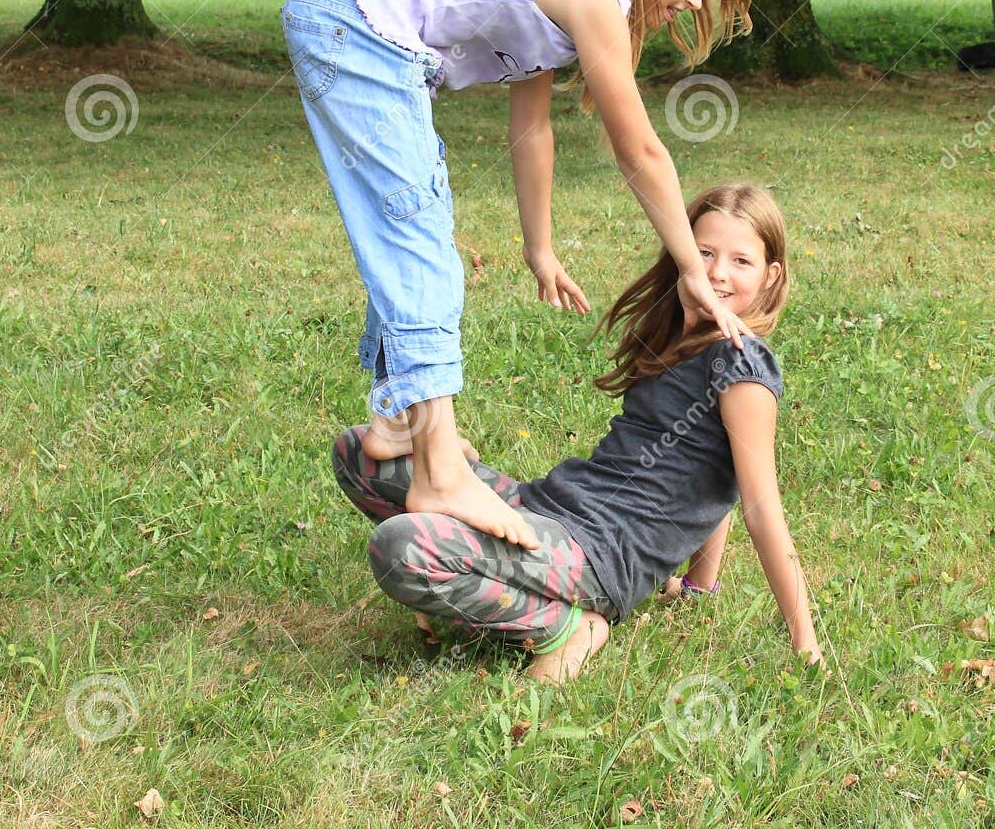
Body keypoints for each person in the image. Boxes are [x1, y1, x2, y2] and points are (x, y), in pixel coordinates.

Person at [282, 0, 753, 556]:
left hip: (347, 9)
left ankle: (396, 424)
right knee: (414, 236)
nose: (693, 0)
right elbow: (640, 149)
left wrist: (541, 247)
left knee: (415, 223)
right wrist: (689, 263)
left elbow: (531, 130)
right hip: (354, 14)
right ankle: (440, 473)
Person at [332, 184, 824, 685]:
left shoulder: (741, 363)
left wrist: (804, 642)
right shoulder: (680, 336)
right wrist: (699, 584)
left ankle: (567, 627)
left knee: (400, 547)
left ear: (770, 276)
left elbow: (760, 506)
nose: (718, 272)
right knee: (360, 454)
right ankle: (474, 577)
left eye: (741, 261)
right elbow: (714, 475)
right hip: (550, 506)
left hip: (599, 554)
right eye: (704, 253)